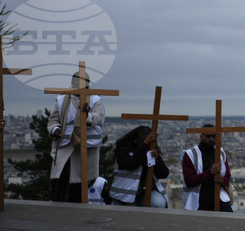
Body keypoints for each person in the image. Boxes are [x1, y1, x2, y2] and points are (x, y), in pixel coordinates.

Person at [47, 70, 105, 203]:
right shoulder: (62, 100)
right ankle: (58, 206)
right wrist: (55, 130)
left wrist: (87, 116)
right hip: (65, 143)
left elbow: (97, 117)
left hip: (87, 145)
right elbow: (53, 120)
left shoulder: (95, 99)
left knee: (80, 179)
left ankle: (77, 206)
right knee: (60, 176)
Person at [109, 126, 169, 208]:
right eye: (142, 141)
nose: (146, 144)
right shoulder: (123, 151)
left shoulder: (150, 151)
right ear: (135, 139)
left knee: (158, 203)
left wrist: (157, 159)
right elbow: (132, 163)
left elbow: (163, 174)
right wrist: (144, 145)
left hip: (146, 192)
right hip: (125, 194)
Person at [181, 127, 233, 212]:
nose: (211, 139)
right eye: (208, 136)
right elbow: (189, 180)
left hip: (219, 198)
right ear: (201, 137)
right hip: (198, 200)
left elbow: (227, 175)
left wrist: (222, 181)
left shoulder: (221, 153)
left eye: (213, 136)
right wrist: (209, 173)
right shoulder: (190, 155)